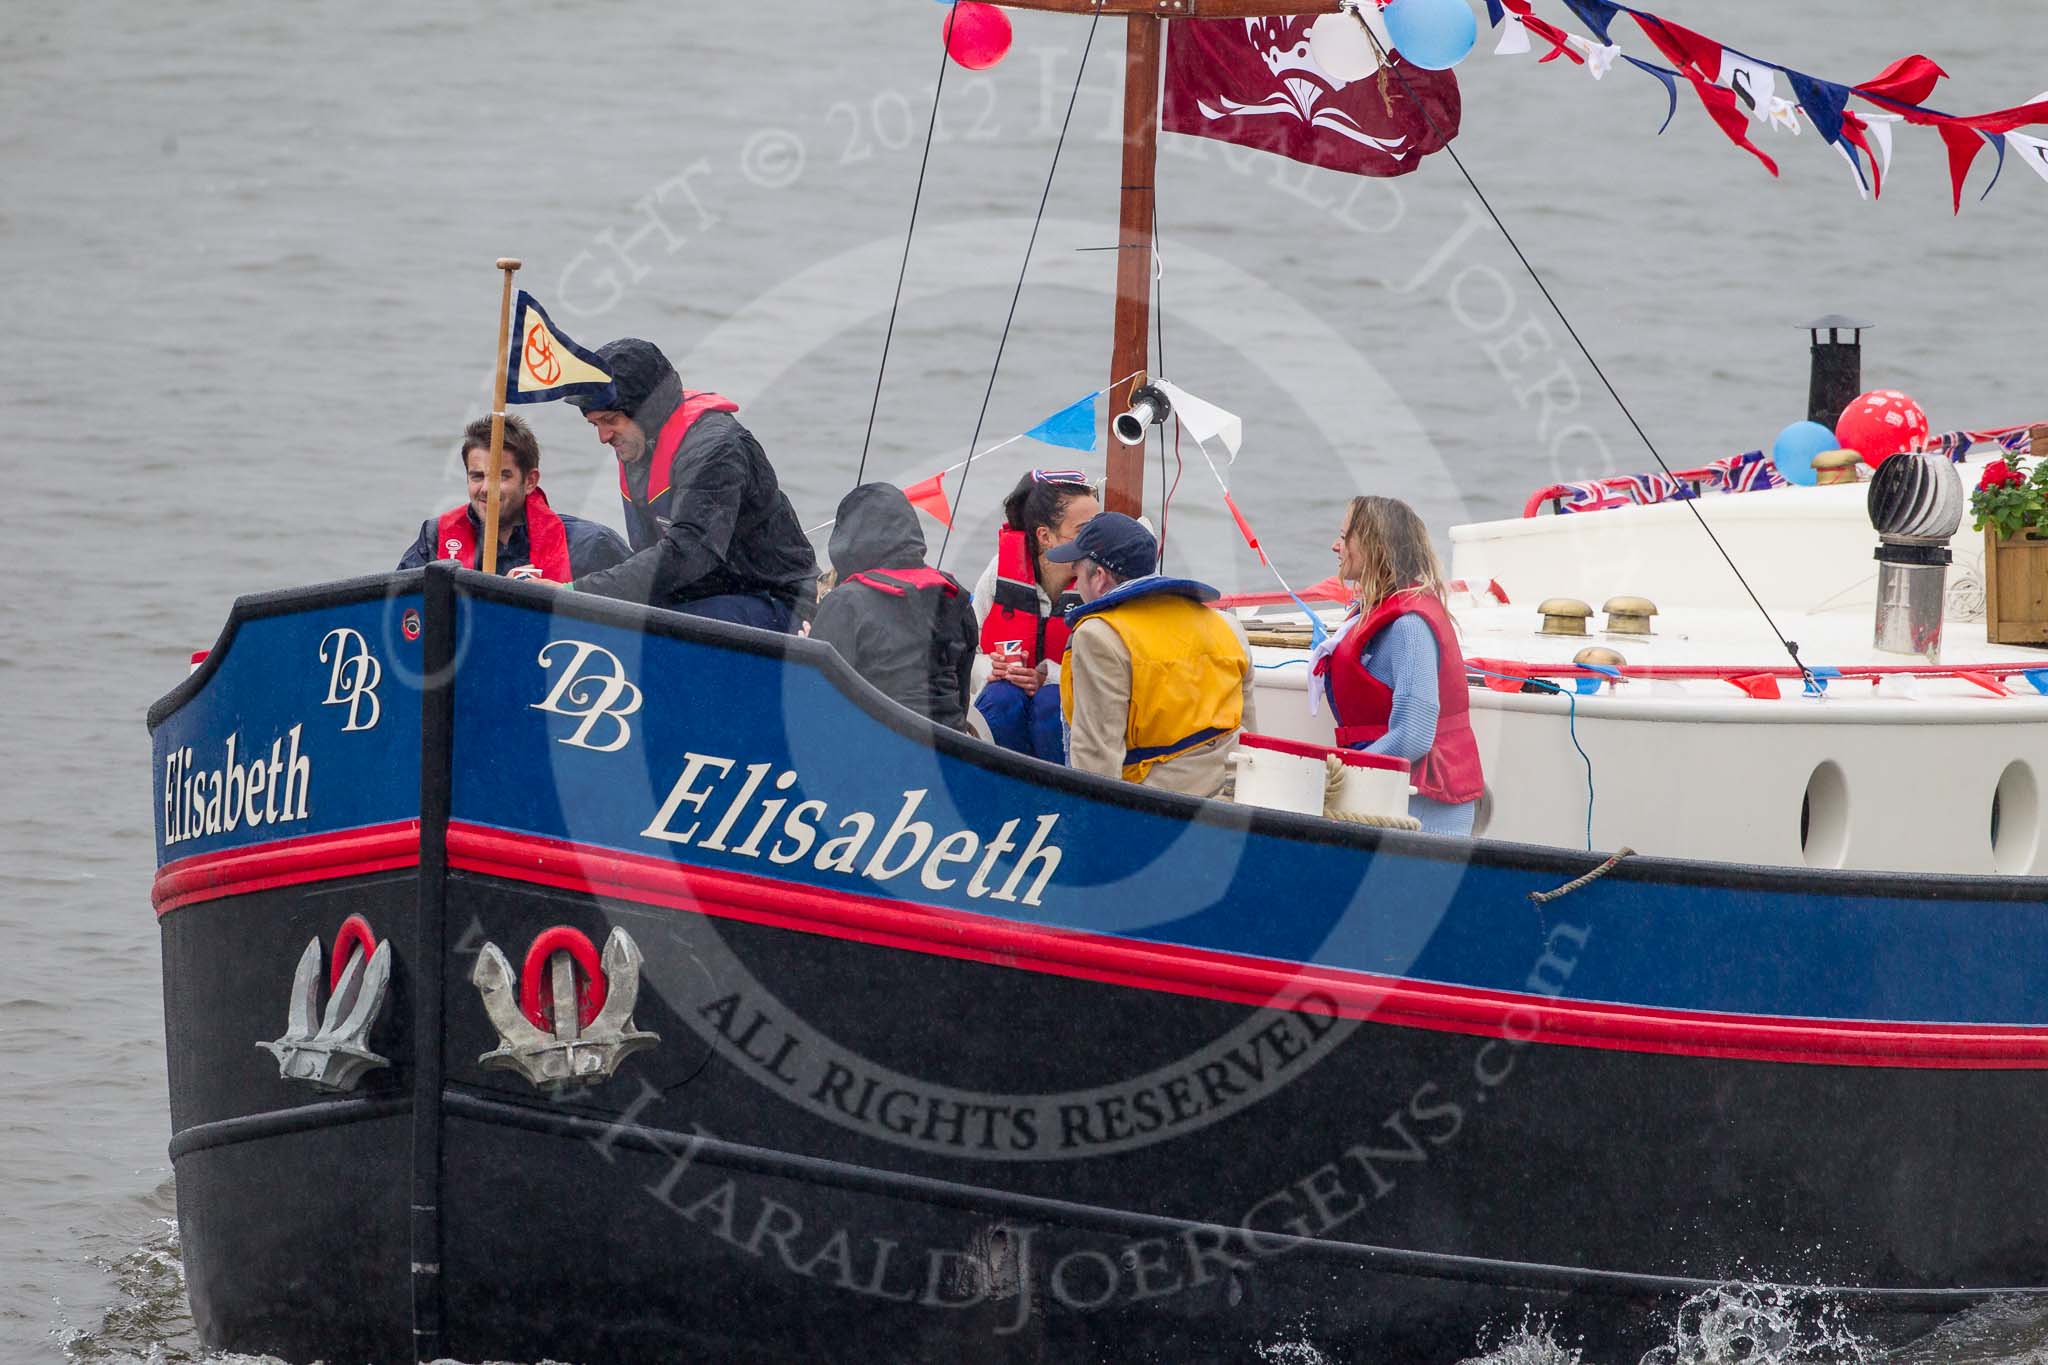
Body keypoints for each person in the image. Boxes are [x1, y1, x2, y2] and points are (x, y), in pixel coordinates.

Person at [564, 338, 817, 630]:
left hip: (776, 602)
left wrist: (577, 593)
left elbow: (688, 554)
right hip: (700, 596)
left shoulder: (716, 449)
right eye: (595, 425)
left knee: (648, 627)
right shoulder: (640, 443)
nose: (604, 437)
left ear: (648, 409)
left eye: (610, 421)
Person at [1048, 512, 1255, 798]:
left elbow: (1097, 758)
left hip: (1161, 810)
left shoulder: (1099, 637)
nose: (1076, 584)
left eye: (1077, 572)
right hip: (1234, 796)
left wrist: (1087, 829)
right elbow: (1251, 738)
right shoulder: (1227, 625)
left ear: (1098, 577)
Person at [1315, 495, 1483, 835]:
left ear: (1374, 545)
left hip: (1423, 806)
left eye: (1344, 536)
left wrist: (1345, 775)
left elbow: (1415, 734)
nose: (1335, 546)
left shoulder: (1409, 627)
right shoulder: (1376, 612)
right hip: (1385, 793)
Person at [811, 483, 978, 730]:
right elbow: (962, 695)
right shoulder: (955, 594)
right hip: (948, 750)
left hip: (876, 747)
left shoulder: (846, 602)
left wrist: (805, 647)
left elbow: (815, 700)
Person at [398, 415, 630, 580]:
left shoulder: (591, 544)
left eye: (502, 477)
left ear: (530, 481)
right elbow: (395, 612)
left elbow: (647, 612)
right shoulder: (434, 538)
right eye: (477, 476)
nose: (487, 489)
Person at [970, 471, 1100, 761]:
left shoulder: (1102, 580)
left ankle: (1059, 794)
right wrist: (990, 668)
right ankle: (1000, 787)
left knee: (1051, 702)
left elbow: (1112, 671)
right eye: (1084, 531)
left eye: (1098, 529)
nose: (1096, 542)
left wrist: (1048, 675)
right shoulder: (999, 573)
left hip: (1068, 711)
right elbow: (966, 652)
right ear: (1045, 537)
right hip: (1008, 704)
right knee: (1000, 697)